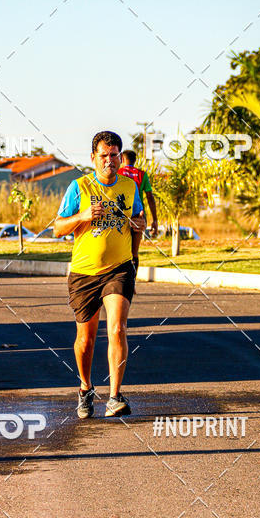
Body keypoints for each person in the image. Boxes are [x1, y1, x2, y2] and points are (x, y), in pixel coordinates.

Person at [54, 131, 146, 418]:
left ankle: (115, 396)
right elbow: (57, 228)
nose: (110, 160)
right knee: (86, 339)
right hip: (83, 273)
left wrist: (136, 249)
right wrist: (82, 217)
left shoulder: (130, 187)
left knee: (117, 328)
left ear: (121, 157)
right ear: (93, 158)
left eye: (114, 154)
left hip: (119, 268)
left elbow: (138, 223)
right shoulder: (79, 186)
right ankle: (85, 389)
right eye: (104, 155)